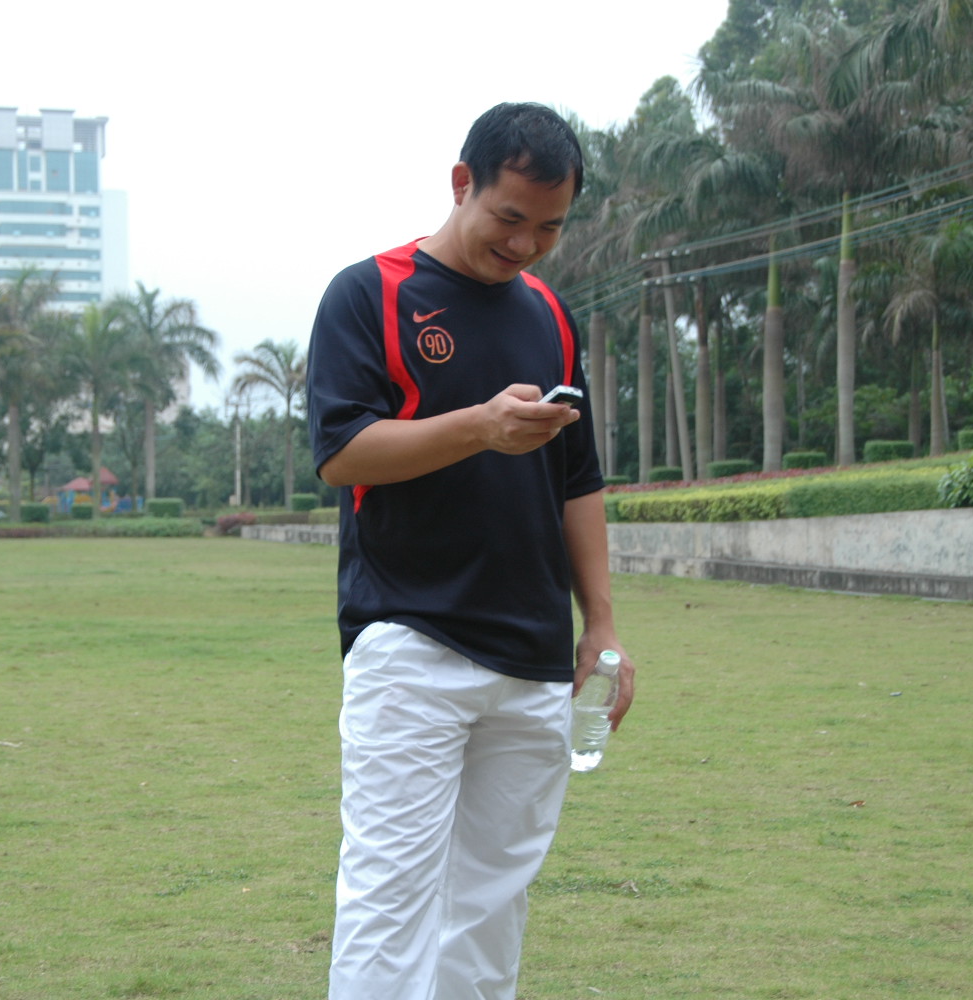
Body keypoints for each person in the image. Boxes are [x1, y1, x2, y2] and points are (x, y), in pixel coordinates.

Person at [306, 102, 636, 1000]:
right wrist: (480, 428)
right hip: (411, 642)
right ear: (462, 184)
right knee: (391, 901)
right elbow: (342, 453)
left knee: (492, 908)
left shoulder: (550, 315)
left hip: (533, 661)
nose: (525, 245)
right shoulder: (370, 293)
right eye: (510, 218)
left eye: (550, 228)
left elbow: (577, 480)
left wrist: (601, 624)